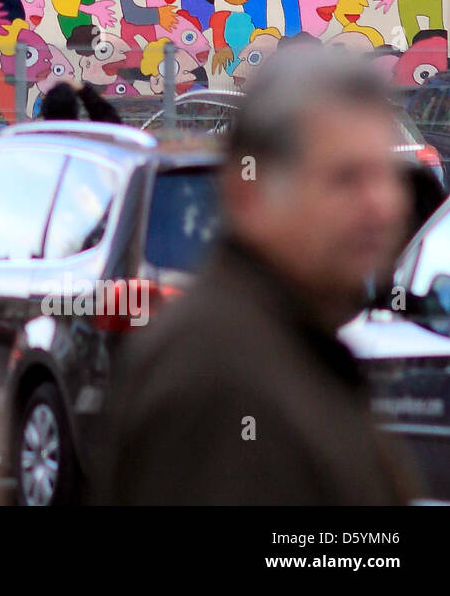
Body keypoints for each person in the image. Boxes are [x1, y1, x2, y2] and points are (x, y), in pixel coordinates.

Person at [98, 47, 420, 505]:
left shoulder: (292, 339)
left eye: (388, 175)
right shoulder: (218, 374)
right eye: (346, 178)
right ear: (249, 195)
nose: (383, 206)